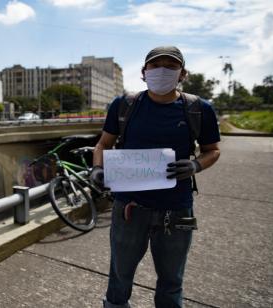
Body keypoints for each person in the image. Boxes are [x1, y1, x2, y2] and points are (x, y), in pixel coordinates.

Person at [91, 46, 221, 308]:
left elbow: (213, 151)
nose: (162, 71)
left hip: (177, 208)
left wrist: (195, 166)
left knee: (172, 280)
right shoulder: (124, 105)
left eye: (171, 66)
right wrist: (97, 168)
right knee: (119, 277)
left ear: (183, 74)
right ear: (144, 72)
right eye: (155, 65)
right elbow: (103, 144)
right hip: (128, 207)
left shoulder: (199, 108)